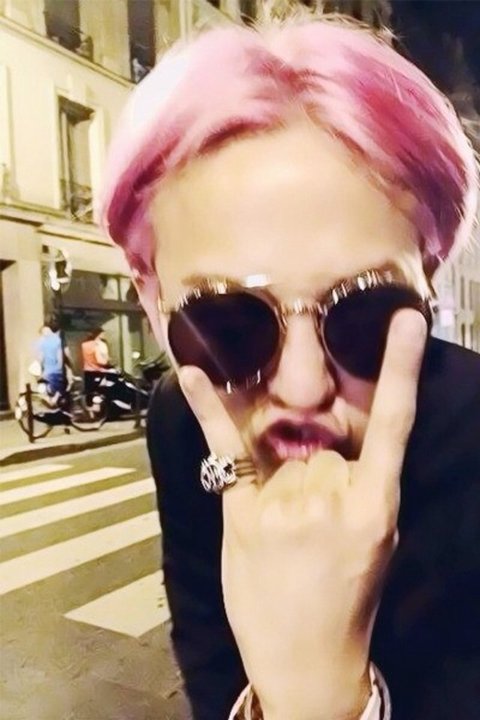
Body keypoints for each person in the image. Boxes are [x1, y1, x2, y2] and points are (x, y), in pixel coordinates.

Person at [100, 13, 480, 720]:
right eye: (227, 324)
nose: (303, 387)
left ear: (427, 284)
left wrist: (319, 691)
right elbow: (209, 665)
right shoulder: (182, 420)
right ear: (151, 300)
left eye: (365, 314)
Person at [35, 319, 66, 404]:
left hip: (49, 371)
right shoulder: (56, 341)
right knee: (55, 389)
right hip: (53, 371)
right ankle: (53, 400)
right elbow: (59, 358)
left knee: (47, 389)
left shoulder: (45, 343)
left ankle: (51, 400)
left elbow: (40, 358)